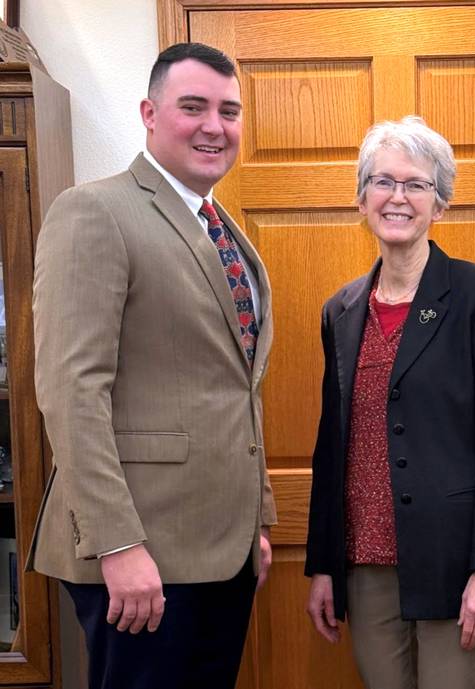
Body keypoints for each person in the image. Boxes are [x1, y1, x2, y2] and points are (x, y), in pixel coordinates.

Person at [28, 42, 275, 689]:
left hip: (223, 553)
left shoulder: (224, 231)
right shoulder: (95, 211)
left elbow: (236, 387)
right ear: (149, 113)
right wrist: (117, 543)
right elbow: (72, 391)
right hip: (142, 555)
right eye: (193, 107)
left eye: (228, 111)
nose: (214, 126)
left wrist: (256, 519)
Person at [305, 116, 475, 689]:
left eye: (416, 185)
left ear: (440, 204)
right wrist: (323, 564)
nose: (397, 197)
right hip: (364, 563)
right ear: (362, 199)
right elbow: (331, 447)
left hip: (452, 563)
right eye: (382, 182)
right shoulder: (341, 310)